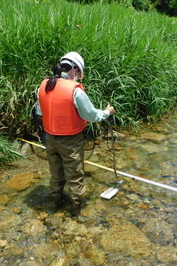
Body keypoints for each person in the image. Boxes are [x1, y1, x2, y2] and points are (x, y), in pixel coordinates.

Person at [38, 52, 115, 216]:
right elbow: (91, 115)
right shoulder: (75, 91)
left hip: (50, 138)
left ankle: (56, 202)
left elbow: (38, 110)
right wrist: (107, 112)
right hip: (70, 140)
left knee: (56, 173)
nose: (79, 77)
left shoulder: (44, 85)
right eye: (79, 74)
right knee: (75, 176)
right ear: (74, 70)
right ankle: (76, 210)